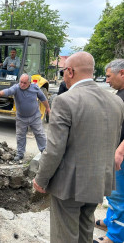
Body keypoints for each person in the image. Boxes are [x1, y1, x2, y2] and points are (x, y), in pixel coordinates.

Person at [32, 52, 124, 243]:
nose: (64, 75)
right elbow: (112, 140)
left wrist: (41, 179)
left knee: (64, 236)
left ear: (71, 72)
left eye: (64, 71)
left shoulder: (65, 101)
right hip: (99, 181)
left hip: (69, 186)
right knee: (85, 231)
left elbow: (55, 149)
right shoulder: (116, 101)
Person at [94, 59, 124, 243]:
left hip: (121, 155)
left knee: (118, 194)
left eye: (109, 76)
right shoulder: (121, 93)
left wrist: (120, 151)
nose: (106, 81)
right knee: (112, 191)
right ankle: (110, 220)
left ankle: (115, 236)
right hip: (115, 150)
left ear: (122, 73)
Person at [0, 73, 50, 161]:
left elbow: (43, 98)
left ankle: (44, 151)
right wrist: (0, 93)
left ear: (29, 83)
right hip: (21, 117)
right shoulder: (16, 88)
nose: (22, 84)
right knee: (20, 136)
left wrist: (48, 108)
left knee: (40, 134)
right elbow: (8, 91)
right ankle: (20, 154)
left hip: (34, 116)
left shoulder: (35, 88)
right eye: (21, 82)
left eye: (24, 83)